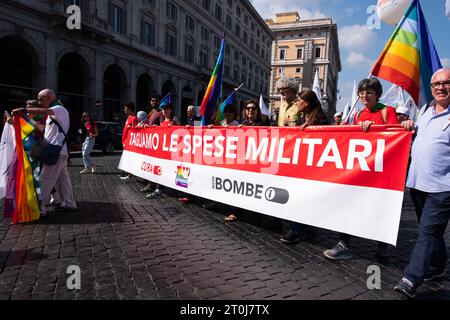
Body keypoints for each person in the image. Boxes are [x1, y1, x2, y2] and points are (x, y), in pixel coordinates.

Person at [323, 78, 399, 259]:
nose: (365, 95)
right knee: (348, 204)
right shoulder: (357, 115)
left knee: (379, 208)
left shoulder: (387, 111)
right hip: (359, 170)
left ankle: (383, 243)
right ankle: (344, 243)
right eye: (362, 92)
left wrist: (375, 128)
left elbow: (395, 135)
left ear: (377, 95)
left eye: (369, 92)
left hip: (380, 171)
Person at [393, 68, 450, 299]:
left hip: (443, 188)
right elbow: (418, 133)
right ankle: (438, 266)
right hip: (417, 183)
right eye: (436, 84)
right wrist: (408, 126)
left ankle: (411, 278)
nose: (441, 87)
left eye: (446, 83)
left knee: (427, 232)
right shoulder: (425, 110)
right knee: (432, 232)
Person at [13, 89, 77, 216]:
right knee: (62, 179)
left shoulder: (58, 108)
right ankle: (69, 202)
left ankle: (38, 208)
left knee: (45, 179)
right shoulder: (55, 112)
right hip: (59, 151)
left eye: (40, 99)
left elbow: (44, 111)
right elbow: (44, 129)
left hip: (55, 151)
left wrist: (25, 111)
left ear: (48, 98)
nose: (39, 102)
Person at [280, 89, 330, 243]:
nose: (297, 103)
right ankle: (303, 225)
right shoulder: (304, 120)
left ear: (307, 103)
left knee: (300, 197)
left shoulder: (319, 121)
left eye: (299, 100)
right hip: (301, 165)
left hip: (313, 168)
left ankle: (295, 230)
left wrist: (311, 130)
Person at [120, 102, 138, 180]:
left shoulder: (134, 118)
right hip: (125, 141)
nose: (124, 110)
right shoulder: (128, 118)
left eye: (126, 108)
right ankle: (128, 174)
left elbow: (136, 131)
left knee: (131, 159)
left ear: (130, 109)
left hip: (129, 142)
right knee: (127, 159)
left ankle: (130, 175)